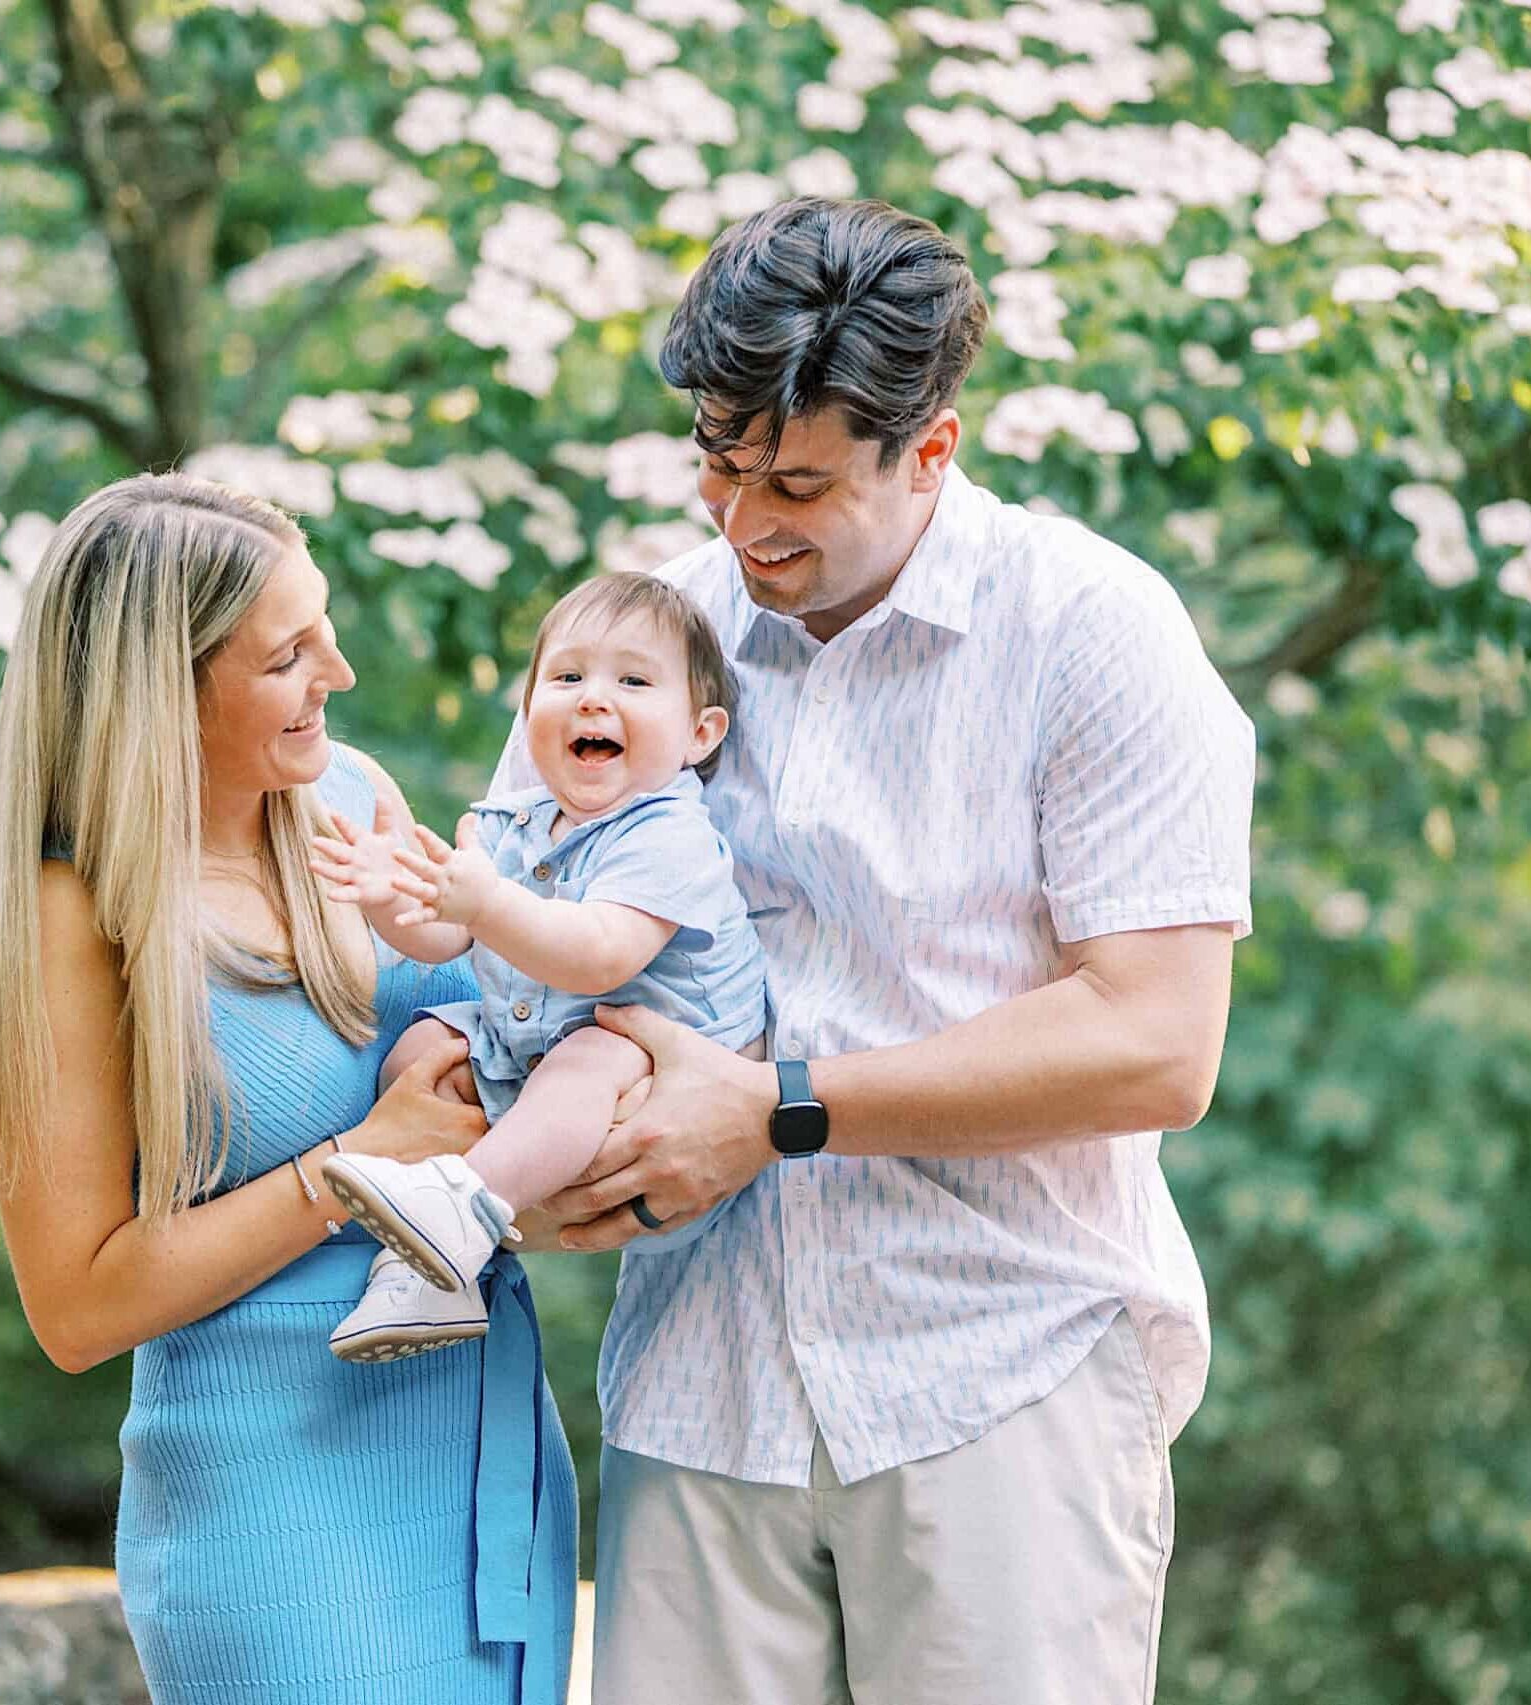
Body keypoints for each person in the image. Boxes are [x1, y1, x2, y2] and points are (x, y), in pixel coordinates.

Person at [507, 198, 1258, 1703]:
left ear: (930, 446)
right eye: (717, 461)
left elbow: (1155, 1044)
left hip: (1002, 1367)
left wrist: (778, 1106)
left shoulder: (1095, 630)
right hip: (694, 1381)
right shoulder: (647, 637)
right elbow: (522, 919)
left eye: (797, 481)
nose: (741, 519)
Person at [0, 474, 576, 1705]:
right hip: (276, 1495)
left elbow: (485, 1035)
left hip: (479, 1441)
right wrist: (354, 1168)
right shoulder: (70, 912)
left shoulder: (347, 800)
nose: (335, 669)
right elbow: (74, 1308)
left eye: (321, 626)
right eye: (289, 654)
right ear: (162, 690)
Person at [308, 572, 767, 1362]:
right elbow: (443, 941)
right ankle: (432, 1268)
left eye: (632, 679)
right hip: (537, 1050)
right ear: (529, 716)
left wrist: (484, 903)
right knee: (422, 1047)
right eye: (566, 676)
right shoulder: (508, 825)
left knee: (594, 1054)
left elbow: (600, 957)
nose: (593, 698)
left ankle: (466, 1210)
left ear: (700, 732)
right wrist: (391, 900)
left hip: (660, 1068)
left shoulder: (671, 834)